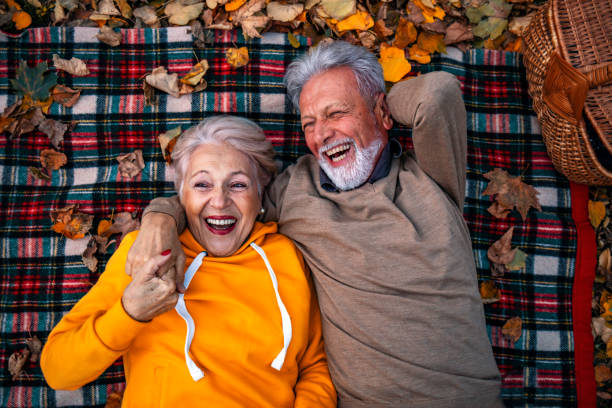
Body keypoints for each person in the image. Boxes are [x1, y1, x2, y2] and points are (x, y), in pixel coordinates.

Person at [129, 41, 503, 407]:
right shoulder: (295, 191)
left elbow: (437, 94)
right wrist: (160, 219)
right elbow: (221, 200)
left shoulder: (432, 178)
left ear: (382, 112)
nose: (322, 135)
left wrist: (380, 105)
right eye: (309, 122)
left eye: (336, 113)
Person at [40, 116, 337, 407]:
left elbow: (314, 367)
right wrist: (128, 314)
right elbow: (58, 371)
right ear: (181, 195)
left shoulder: (287, 255)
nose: (219, 201)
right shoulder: (146, 251)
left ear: (261, 194)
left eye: (238, 185)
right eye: (202, 185)